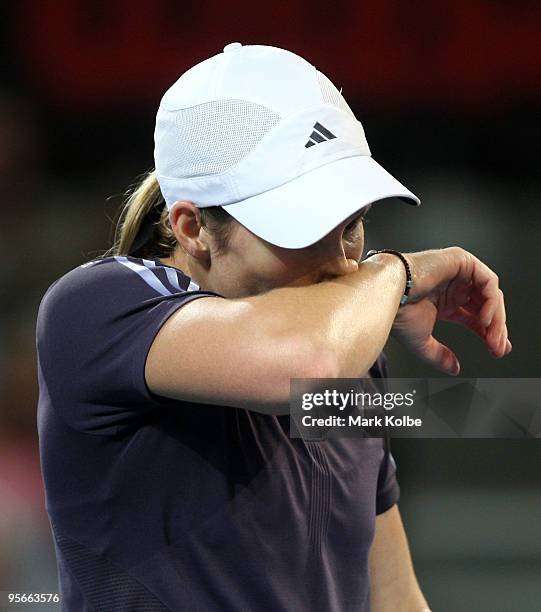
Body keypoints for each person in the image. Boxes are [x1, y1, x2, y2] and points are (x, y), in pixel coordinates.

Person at [36, 43, 511, 611]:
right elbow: (307, 365)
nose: (341, 261)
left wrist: (500, 410)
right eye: (302, 229)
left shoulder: (355, 360)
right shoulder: (96, 307)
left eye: (353, 224)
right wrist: (397, 271)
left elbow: (395, 595)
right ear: (191, 229)